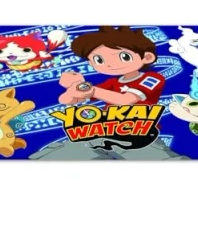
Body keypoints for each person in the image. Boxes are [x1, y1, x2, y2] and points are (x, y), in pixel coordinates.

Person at [29, 26, 189, 160]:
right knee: (55, 156)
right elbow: (66, 101)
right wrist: (73, 87)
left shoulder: (151, 78)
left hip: (138, 134)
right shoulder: (111, 83)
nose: (111, 64)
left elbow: (126, 100)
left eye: (124, 56)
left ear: (146, 57)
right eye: (99, 60)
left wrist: (90, 89)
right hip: (101, 132)